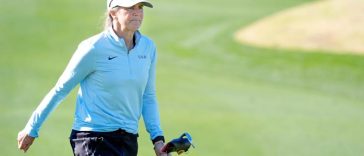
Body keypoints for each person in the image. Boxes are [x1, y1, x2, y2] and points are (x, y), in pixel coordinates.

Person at [17, 0, 171, 155]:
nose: (137, 12)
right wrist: (32, 128)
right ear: (113, 12)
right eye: (130, 8)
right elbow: (61, 89)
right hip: (93, 139)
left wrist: (158, 140)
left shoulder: (148, 48)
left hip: (128, 140)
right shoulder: (93, 47)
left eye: (140, 7)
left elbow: (148, 96)